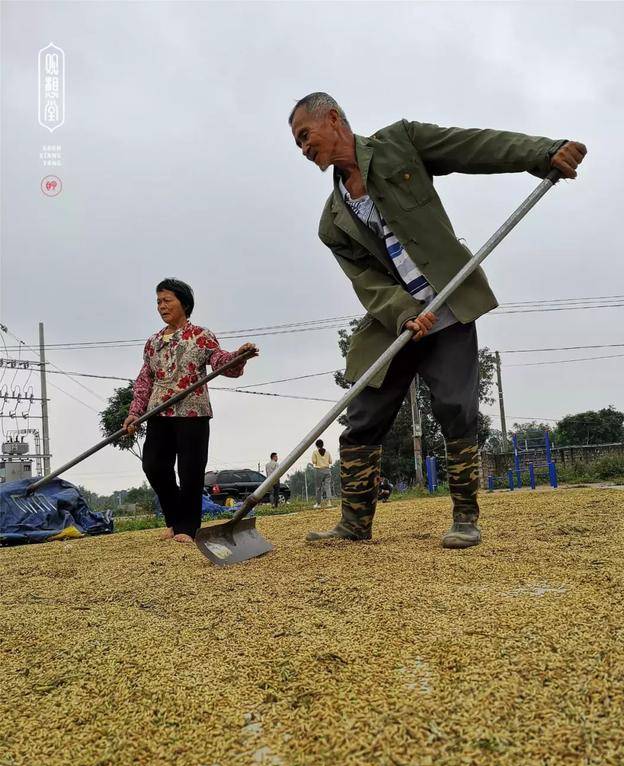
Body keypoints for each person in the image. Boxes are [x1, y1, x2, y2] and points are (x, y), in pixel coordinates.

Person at [289, 93, 586, 548]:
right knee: (363, 416)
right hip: (394, 323)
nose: (303, 149)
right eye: (298, 144)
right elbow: (365, 281)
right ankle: (354, 524)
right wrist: (404, 312)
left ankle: (466, 517)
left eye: (305, 136)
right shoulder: (332, 222)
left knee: (454, 407)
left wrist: (543, 152)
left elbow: (473, 146)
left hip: (449, 301)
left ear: (332, 119)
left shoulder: (400, 143)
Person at [123, 278, 258, 544]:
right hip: (158, 413)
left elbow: (220, 362)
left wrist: (238, 356)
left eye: (167, 300)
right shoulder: (153, 342)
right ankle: (174, 519)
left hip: (192, 413)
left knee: (190, 471)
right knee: (153, 465)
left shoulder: (201, 336)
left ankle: (188, 526)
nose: (162, 306)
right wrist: (135, 412)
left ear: (184, 303)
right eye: (158, 302)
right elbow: (145, 379)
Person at [311, 439, 333, 508]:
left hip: (319, 470)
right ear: (323, 444)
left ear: (316, 445)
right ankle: (329, 502)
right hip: (327, 470)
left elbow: (314, 461)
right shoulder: (328, 452)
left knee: (318, 488)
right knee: (328, 486)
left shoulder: (315, 452)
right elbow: (330, 461)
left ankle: (318, 504)